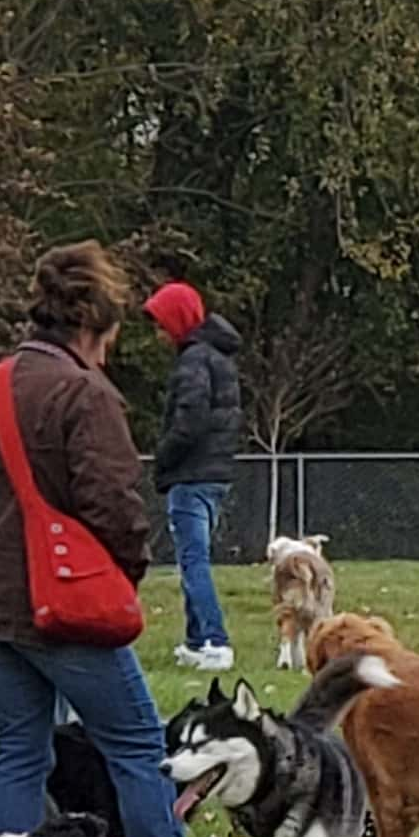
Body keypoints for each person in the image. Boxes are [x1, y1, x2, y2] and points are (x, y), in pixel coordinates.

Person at [0, 243, 225, 837]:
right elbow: (115, 507)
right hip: (62, 611)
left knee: (21, 752)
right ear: (95, 324)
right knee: (136, 749)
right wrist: (118, 573)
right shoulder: (84, 395)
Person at [146, 278, 242, 673]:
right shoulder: (219, 358)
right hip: (215, 472)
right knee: (193, 557)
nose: (157, 331)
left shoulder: (193, 361)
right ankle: (195, 640)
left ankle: (216, 641)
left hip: (192, 474)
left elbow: (190, 418)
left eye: (160, 321)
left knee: (193, 561)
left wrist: (163, 459)